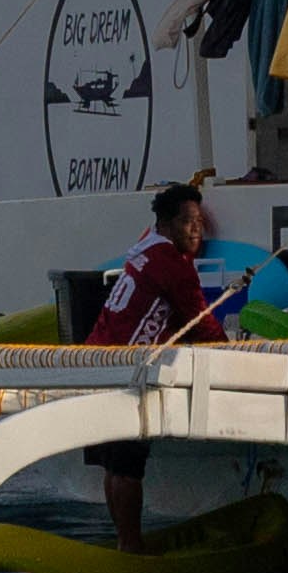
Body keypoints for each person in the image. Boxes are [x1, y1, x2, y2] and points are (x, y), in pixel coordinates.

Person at [80, 176, 235, 547]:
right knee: (128, 466)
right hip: (127, 369)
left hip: (98, 360)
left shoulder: (146, 245)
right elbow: (201, 322)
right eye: (187, 222)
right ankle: (131, 546)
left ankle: (123, 541)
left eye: (199, 222)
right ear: (166, 224)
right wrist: (233, 355)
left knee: (113, 463)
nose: (196, 230)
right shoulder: (173, 265)